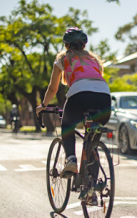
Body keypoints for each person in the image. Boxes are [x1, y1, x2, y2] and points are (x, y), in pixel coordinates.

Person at [36, 27, 111, 177]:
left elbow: (53, 89)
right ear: (84, 45)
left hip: (79, 95)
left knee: (67, 125)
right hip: (104, 98)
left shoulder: (63, 58)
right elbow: (95, 81)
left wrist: (43, 105)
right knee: (92, 144)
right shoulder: (94, 59)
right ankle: (91, 191)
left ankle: (71, 159)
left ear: (66, 45)